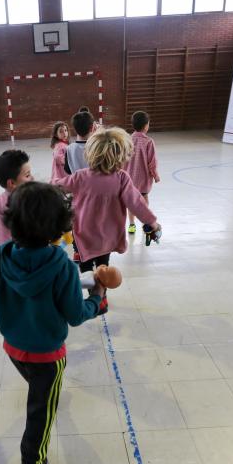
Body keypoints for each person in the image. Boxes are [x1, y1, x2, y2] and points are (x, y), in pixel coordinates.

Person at [0, 182, 104, 464]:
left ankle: (41, 391)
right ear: (59, 228)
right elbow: (76, 315)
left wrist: (4, 298)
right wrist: (97, 298)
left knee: (37, 387)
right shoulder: (62, 267)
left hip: (14, 348)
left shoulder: (1, 256)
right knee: (40, 412)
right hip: (47, 355)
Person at [52, 128, 162, 314]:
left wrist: (35, 187)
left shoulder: (81, 176)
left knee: (85, 268)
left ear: (91, 153)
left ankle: (93, 297)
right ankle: (102, 295)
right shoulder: (121, 178)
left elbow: (58, 187)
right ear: (121, 156)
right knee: (104, 266)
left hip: (84, 235)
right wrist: (153, 223)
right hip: (108, 237)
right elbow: (137, 204)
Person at [0, 149, 34, 248]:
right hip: (18, 259)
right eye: (27, 175)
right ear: (12, 183)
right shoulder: (22, 205)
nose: (32, 178)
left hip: (3, 257)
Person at [126, 111, 160, 234]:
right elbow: (152, 162)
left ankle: (131, 225)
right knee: (144, 200)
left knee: (131, 202)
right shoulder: (149, 142)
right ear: (146, 126)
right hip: (143, 179)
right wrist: (156, 175)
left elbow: (122, 160)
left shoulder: (127, 140)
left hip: (129, 179)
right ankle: (145, 223)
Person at [64, 110, 96, 175]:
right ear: (92, 127)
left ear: (75, 129)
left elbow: (67, 170)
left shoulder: (69, 148)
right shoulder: (97, 146)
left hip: (77, 183)